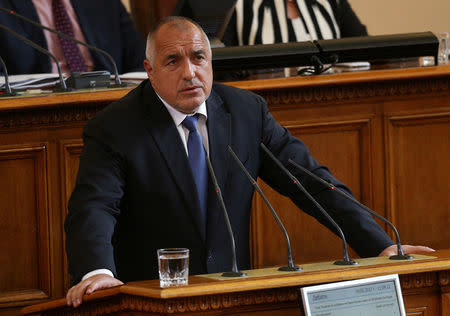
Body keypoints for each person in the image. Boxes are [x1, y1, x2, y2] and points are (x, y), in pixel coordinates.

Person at [64, 16, 433, 307]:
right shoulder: (115, 127)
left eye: (198, 58)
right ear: (149, 69)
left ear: (211, 61)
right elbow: (94, 208)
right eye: (173, 61)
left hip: (234, 296)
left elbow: (310, 182)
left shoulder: (244, 112)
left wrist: (379, 245)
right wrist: (97, 271)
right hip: (152, 301)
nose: (190, 72)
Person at [0, 0, 145, 75]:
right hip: (34, 109)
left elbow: (141, 63)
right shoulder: (5, 7)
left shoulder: (104, 3)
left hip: (108, 103)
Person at [174, 0, 368, 46]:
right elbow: (219, 64)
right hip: (263, 107)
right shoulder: (239, 5)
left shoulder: (330, 3)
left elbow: (365, 48)